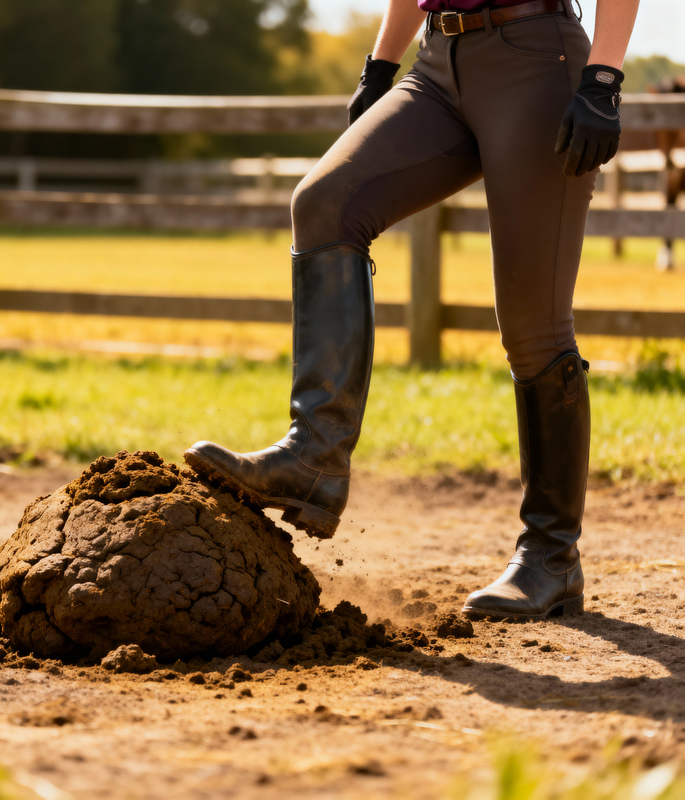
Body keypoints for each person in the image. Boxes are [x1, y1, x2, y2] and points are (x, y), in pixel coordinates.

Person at [185, 0, 640, 620]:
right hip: (437, 66)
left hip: (536, 59)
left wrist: (604, 78)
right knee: (325, 205)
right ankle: (314, 455)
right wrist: (379, 67)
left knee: (534, 326)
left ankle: (551, 557)